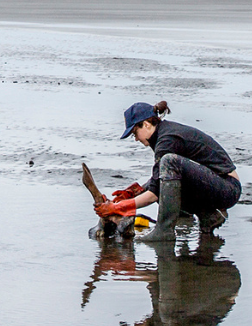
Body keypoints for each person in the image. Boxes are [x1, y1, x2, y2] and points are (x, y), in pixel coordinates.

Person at [94, 101, 241, 241]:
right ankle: (209, 216)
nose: (136, 139)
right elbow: (159, 180)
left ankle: (164, 231)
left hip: (228, 188)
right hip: (215, 185)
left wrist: (119, 207)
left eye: (135, 133)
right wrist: (134, 192)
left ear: (146, 124)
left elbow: (154, 193)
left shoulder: (166, 140)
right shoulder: (163, 134)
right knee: (167, 174)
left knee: (169, 162)